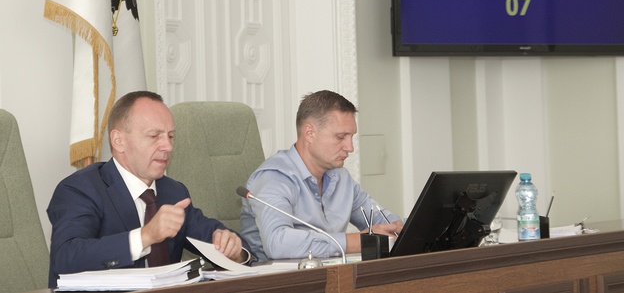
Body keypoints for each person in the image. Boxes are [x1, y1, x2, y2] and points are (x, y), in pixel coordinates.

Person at [48, 91, 253, 287]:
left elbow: (229, 243)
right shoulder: (80, 189)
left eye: (170, 136)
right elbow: (66, 257)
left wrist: (234, 251)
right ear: (118, 141)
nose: (168, 147)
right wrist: (145, 236)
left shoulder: (174, 192)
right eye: (154, 136)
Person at [239, 90, 403, 261]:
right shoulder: (273, 178)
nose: (350, 147)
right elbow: (277, 243)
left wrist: (400, 228)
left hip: (332, 273)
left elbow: (381, 220)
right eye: (340, 137)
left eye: (351, 137)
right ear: (309, 133)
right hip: (277, 276)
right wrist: (357, 241)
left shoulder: (341, 178)